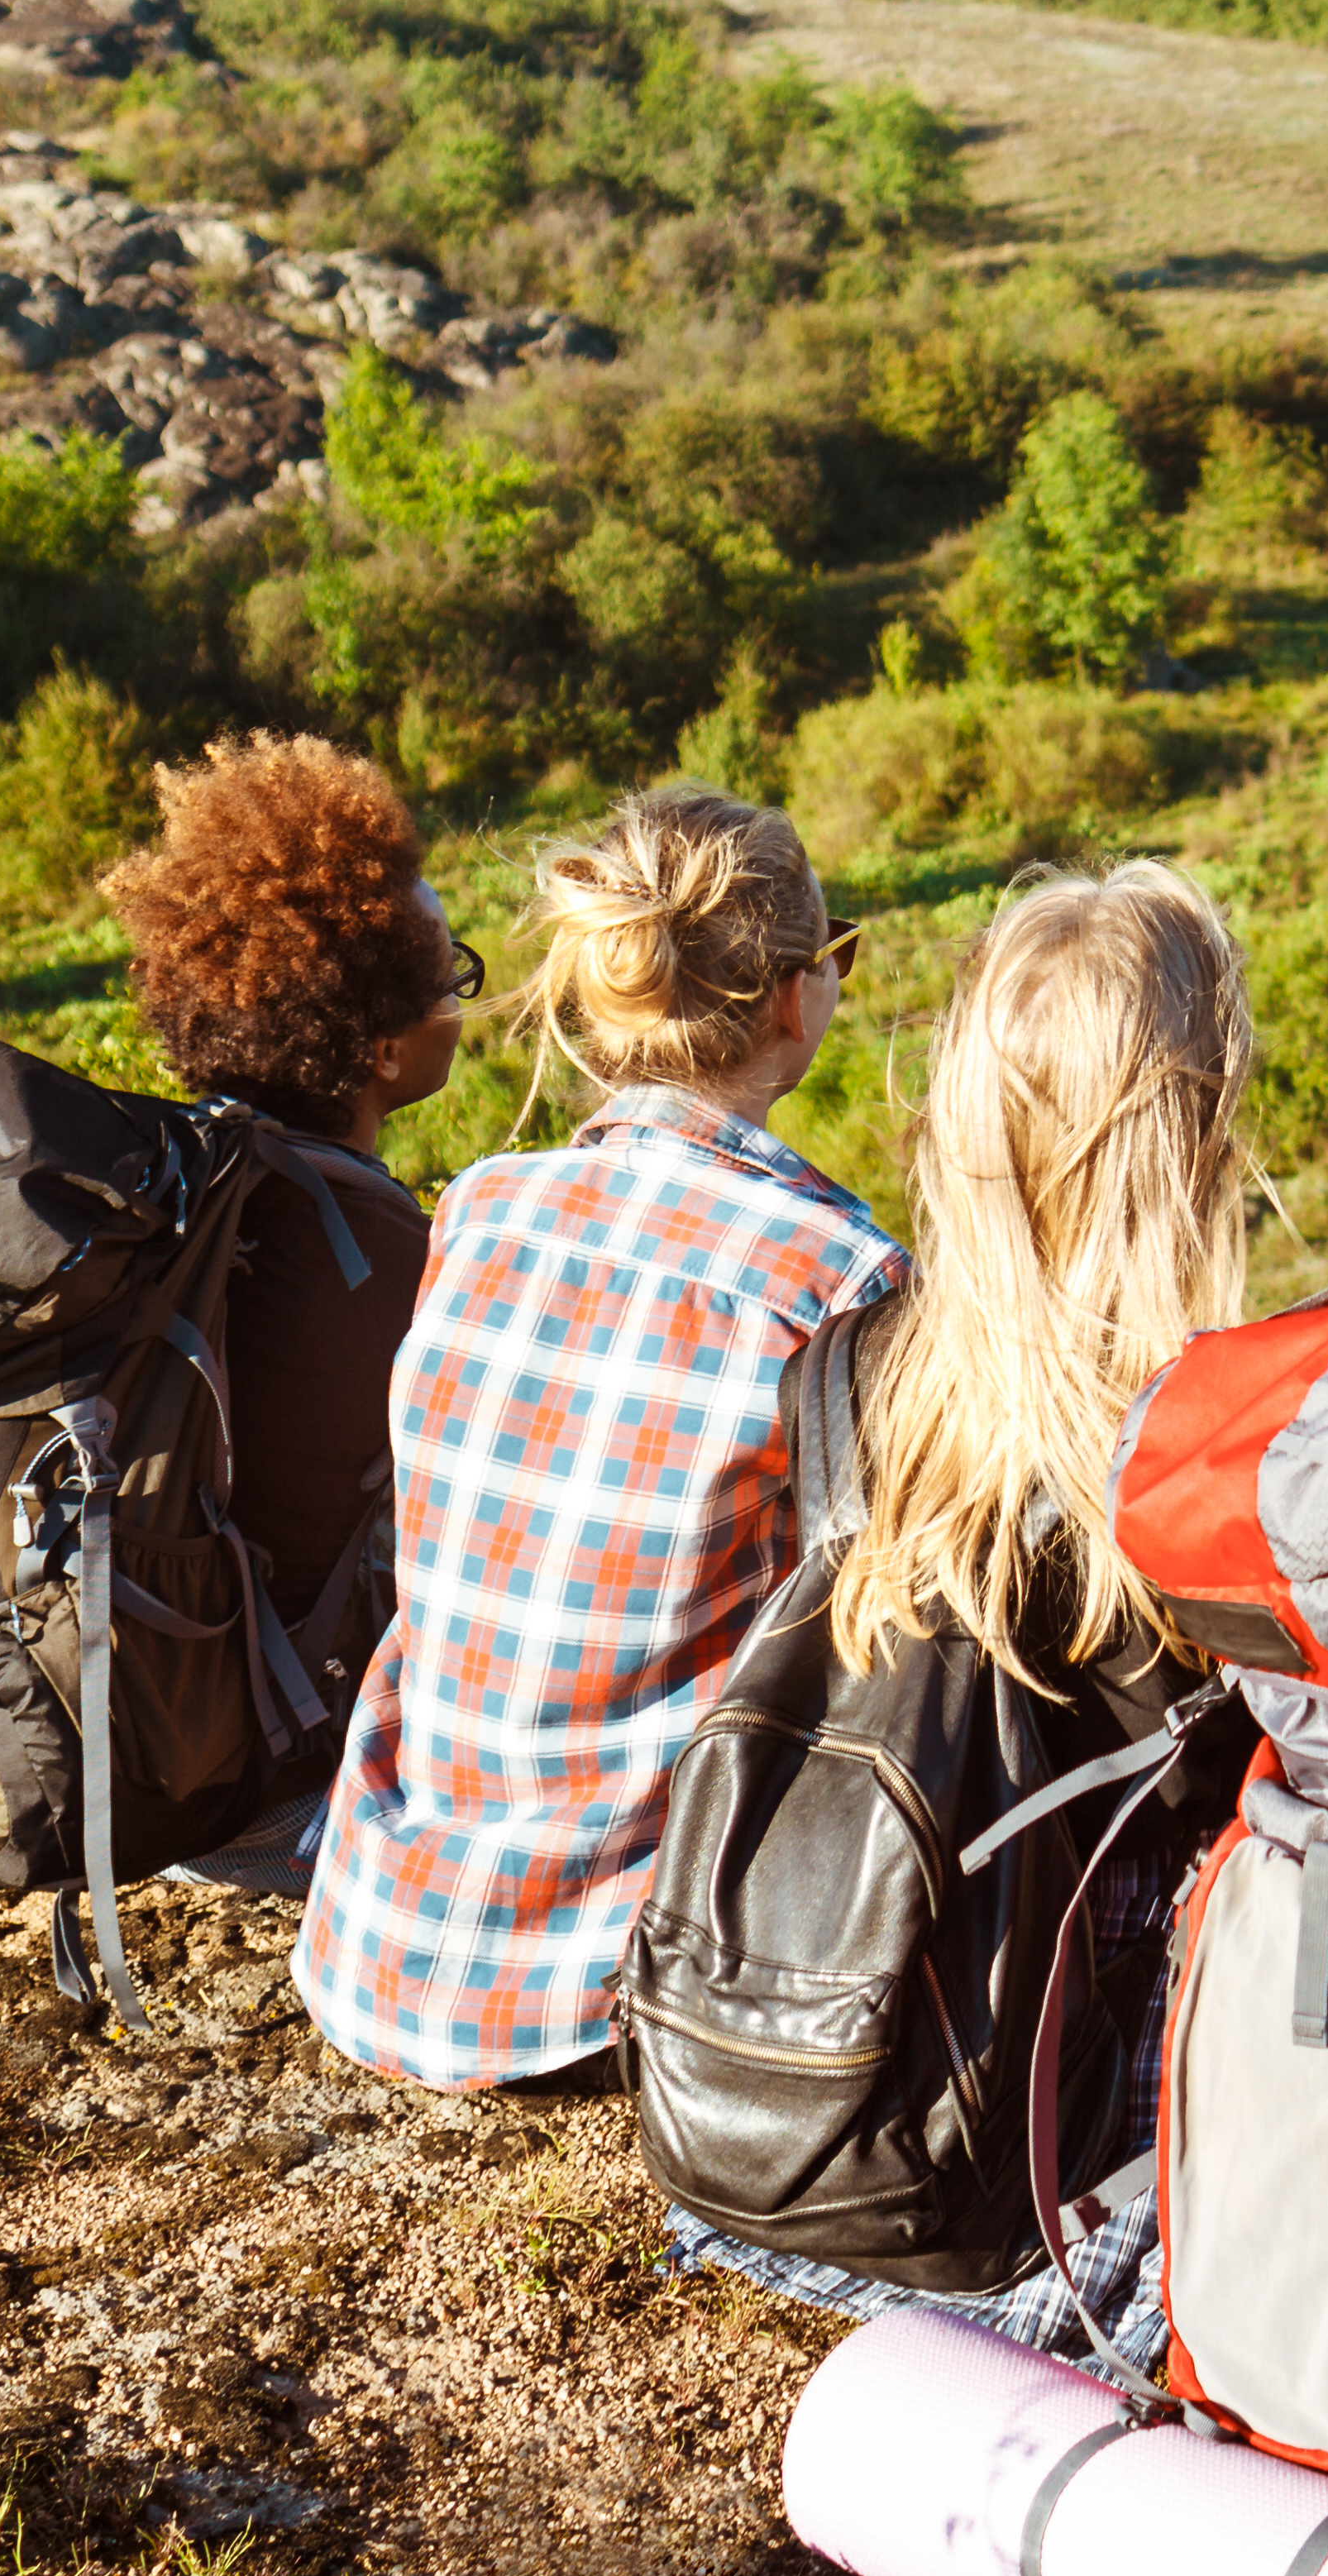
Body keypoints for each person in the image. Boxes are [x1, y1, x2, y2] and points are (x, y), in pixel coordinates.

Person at [662, 860, 1259, 2361]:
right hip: (1047, 2205)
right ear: (1196, 1124)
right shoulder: (1204, 1448)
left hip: (798, 2128)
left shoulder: (851, 1368)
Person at [295, 782, 897, 2091]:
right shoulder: (841, 1273)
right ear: (798, 998)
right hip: (615, 1980)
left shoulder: (482, 1208)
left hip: (383, 1938)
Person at [98, 733, 471, 1892]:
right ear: (380, 1041)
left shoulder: (164, 1190)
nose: (466, 998)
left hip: (139, 1751)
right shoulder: (385, 1254)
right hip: (279, 1794)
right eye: (449, 973)